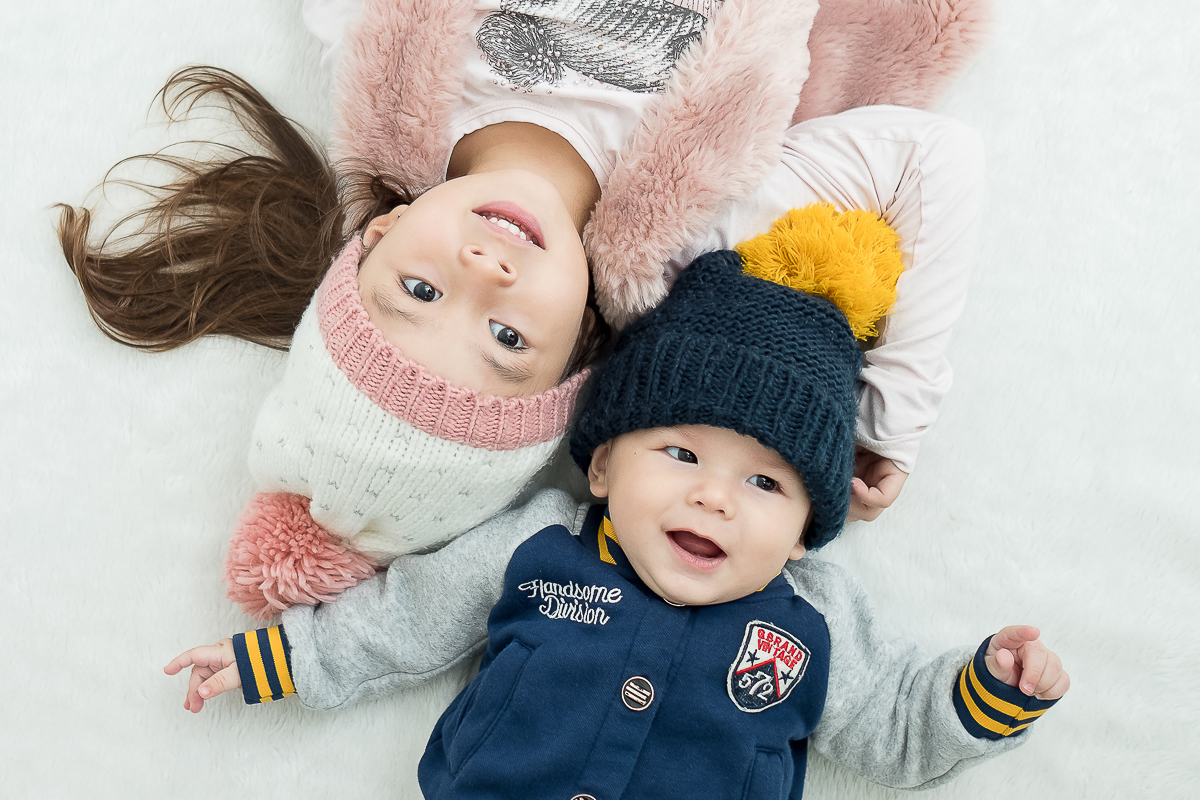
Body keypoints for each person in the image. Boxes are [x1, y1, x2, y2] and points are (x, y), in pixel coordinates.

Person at [59, 0, 989, 613]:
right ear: (580, 345)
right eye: (507, 339)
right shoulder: (717, 210)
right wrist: (891, 417)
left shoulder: (383, 65)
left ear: (373, 241)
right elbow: (932, 160)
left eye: (418, 293)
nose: (483, 271)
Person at [165, 220, 1069, 799]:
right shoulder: (538, 544)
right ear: (599, 465)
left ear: (803, 533)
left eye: (766, 484)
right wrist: (278, 660)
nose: (713, 495)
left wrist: (987, 688)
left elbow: (894, 727)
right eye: (680, 455)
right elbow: (405, 622)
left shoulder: (814, 618)